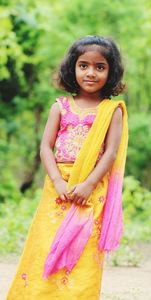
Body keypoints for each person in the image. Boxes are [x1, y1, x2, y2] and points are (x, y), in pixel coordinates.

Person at [7, 35, 128, 300]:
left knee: (84, 247)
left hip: (91, 188)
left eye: (100, 67)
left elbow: (109, 154)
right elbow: (45, 148)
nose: (91, 73)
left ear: (112, 71)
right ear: (72, 67)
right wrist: (58, 182)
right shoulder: (60, 107)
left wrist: (87, 185)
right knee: (46, 241)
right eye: (83, 65)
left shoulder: (112, 110)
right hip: (57, 185)